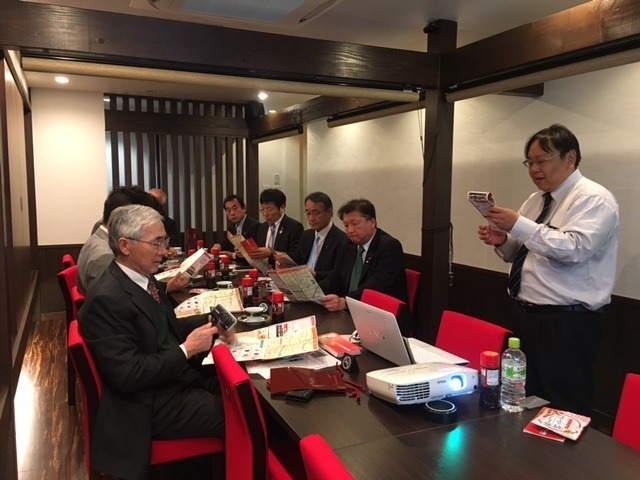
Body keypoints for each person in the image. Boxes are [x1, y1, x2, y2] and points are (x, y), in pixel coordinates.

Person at [478, 123, 619, 416]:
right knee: (524, 398)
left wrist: (519, 224)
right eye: (529, 163)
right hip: (527, 314)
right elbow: (525, 254)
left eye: (542, 160)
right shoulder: (535, 201)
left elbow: (575, 249)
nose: (535, 169)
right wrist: (503, 241)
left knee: (565, 405)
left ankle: (569, 449)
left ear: (570, 158)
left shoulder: (593, 198)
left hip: (568, 322)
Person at [78, 204, 226, 480]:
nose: (165, 251)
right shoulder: (107, 299)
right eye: (156, 243)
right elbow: (128, 374)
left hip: (174, 380)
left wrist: (208, 321)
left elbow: (165, 328)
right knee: (243, 416)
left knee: (244, 390)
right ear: (125, 245)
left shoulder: (143, 279)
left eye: (165, 241)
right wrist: (187, 349)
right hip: (149, 404)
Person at [77, 186, 188, 296]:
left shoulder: (100, 238)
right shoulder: (105, 256)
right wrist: (167, 287)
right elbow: (119, 298)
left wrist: (162, 273)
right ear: (120, 215)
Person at [318, 198, 408, 314]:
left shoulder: (389, 246)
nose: (350, 230)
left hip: (381, 313)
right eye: (346, 225)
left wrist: (345, 302)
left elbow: (376, 285)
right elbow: (335, 277)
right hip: (351, 310)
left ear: (372, 223)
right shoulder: (347, 244)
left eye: (355, 224)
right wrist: (313, 292)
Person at [292, 191, 346, 281]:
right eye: (308, 213)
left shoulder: (342, 240)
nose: (311, 218)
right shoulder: (306, 235)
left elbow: (338, 274)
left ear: (329, 212)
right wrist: (286, 266)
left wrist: (316, 274)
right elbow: (297, 262)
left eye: (316, 213)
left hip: (323, 286)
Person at [251, 188, 303, 265]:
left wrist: (271, 253)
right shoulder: (262, 227)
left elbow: (295, 256)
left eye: (269, 209)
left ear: (282, 207)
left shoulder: (294, 227)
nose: (265, 214)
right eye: (262, 209)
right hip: (263, 270)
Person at [213, 193, 260, 263]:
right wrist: (218, 245)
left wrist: (233, 255)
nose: (232, 213)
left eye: (235, 209)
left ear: (244, 208)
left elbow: (254, 254)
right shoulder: (231, 228)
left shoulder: (255, 226)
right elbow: (225, 244)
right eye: (228, 210)